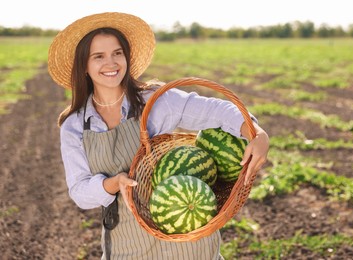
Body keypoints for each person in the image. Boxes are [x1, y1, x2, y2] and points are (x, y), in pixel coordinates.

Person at [47, 12, 269, 260]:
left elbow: (217, 111)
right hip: (128, 245)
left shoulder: (154, 101)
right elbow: (79, 192)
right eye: (98, 56)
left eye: (117, 53)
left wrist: (256, 132)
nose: (111, 63)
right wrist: (113, 183)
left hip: (189, 244)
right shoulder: (75, 125)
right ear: (84, 66)